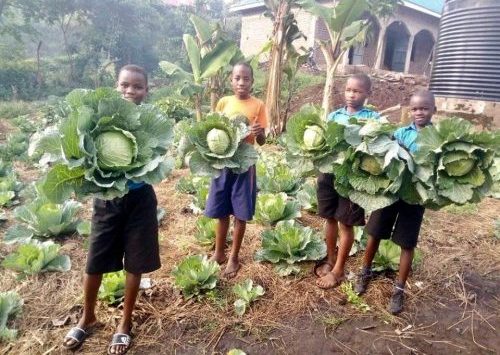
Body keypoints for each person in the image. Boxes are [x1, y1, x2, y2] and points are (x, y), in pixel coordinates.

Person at [62, 64, 160, 355]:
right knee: (95, 261)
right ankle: (87, 316)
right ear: (116, 86)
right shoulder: (100, 118)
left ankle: (125, 323)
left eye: (137, 86)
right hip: (107, 198)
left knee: (136, 263)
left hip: (140, 200)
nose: (130, 91)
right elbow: (81, 150)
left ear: (146, 90)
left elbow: (158, 157)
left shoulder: (149, 121)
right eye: (124, 85)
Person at [354, 90, 436, 314]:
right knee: (375, 233)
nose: (419, 112)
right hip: (390, 192)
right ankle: (364, 272)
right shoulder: (400, 133)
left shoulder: (439, 139)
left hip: (416, 197)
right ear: (410, 111)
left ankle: (399, 289)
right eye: (415, 108)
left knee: (407, 243)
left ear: (434, 110)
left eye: (425, 108)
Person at [315, 73, 380, 289]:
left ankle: (339, 269)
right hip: (329, 174)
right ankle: (330, 259)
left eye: (357, 91)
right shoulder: (334, 116)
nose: (351, 95)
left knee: (345, 222)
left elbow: (377, 146)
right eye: (348, 90)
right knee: (330, 219)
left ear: (367, 94)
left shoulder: (373, 119)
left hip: (353, 178)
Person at [206, 62, 267, 278]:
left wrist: (259, 133)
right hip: (223, 162)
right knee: (221, 211)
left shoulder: (258, 105)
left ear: (252, 81)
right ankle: (219, 253)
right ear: (231, 80)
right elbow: (213, 130)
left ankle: (234, 257)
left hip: (245, 164)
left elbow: (262, 140)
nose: (241, 82)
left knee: (240, 213)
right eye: (237, 78)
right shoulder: (223, 102)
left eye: (246, 78)